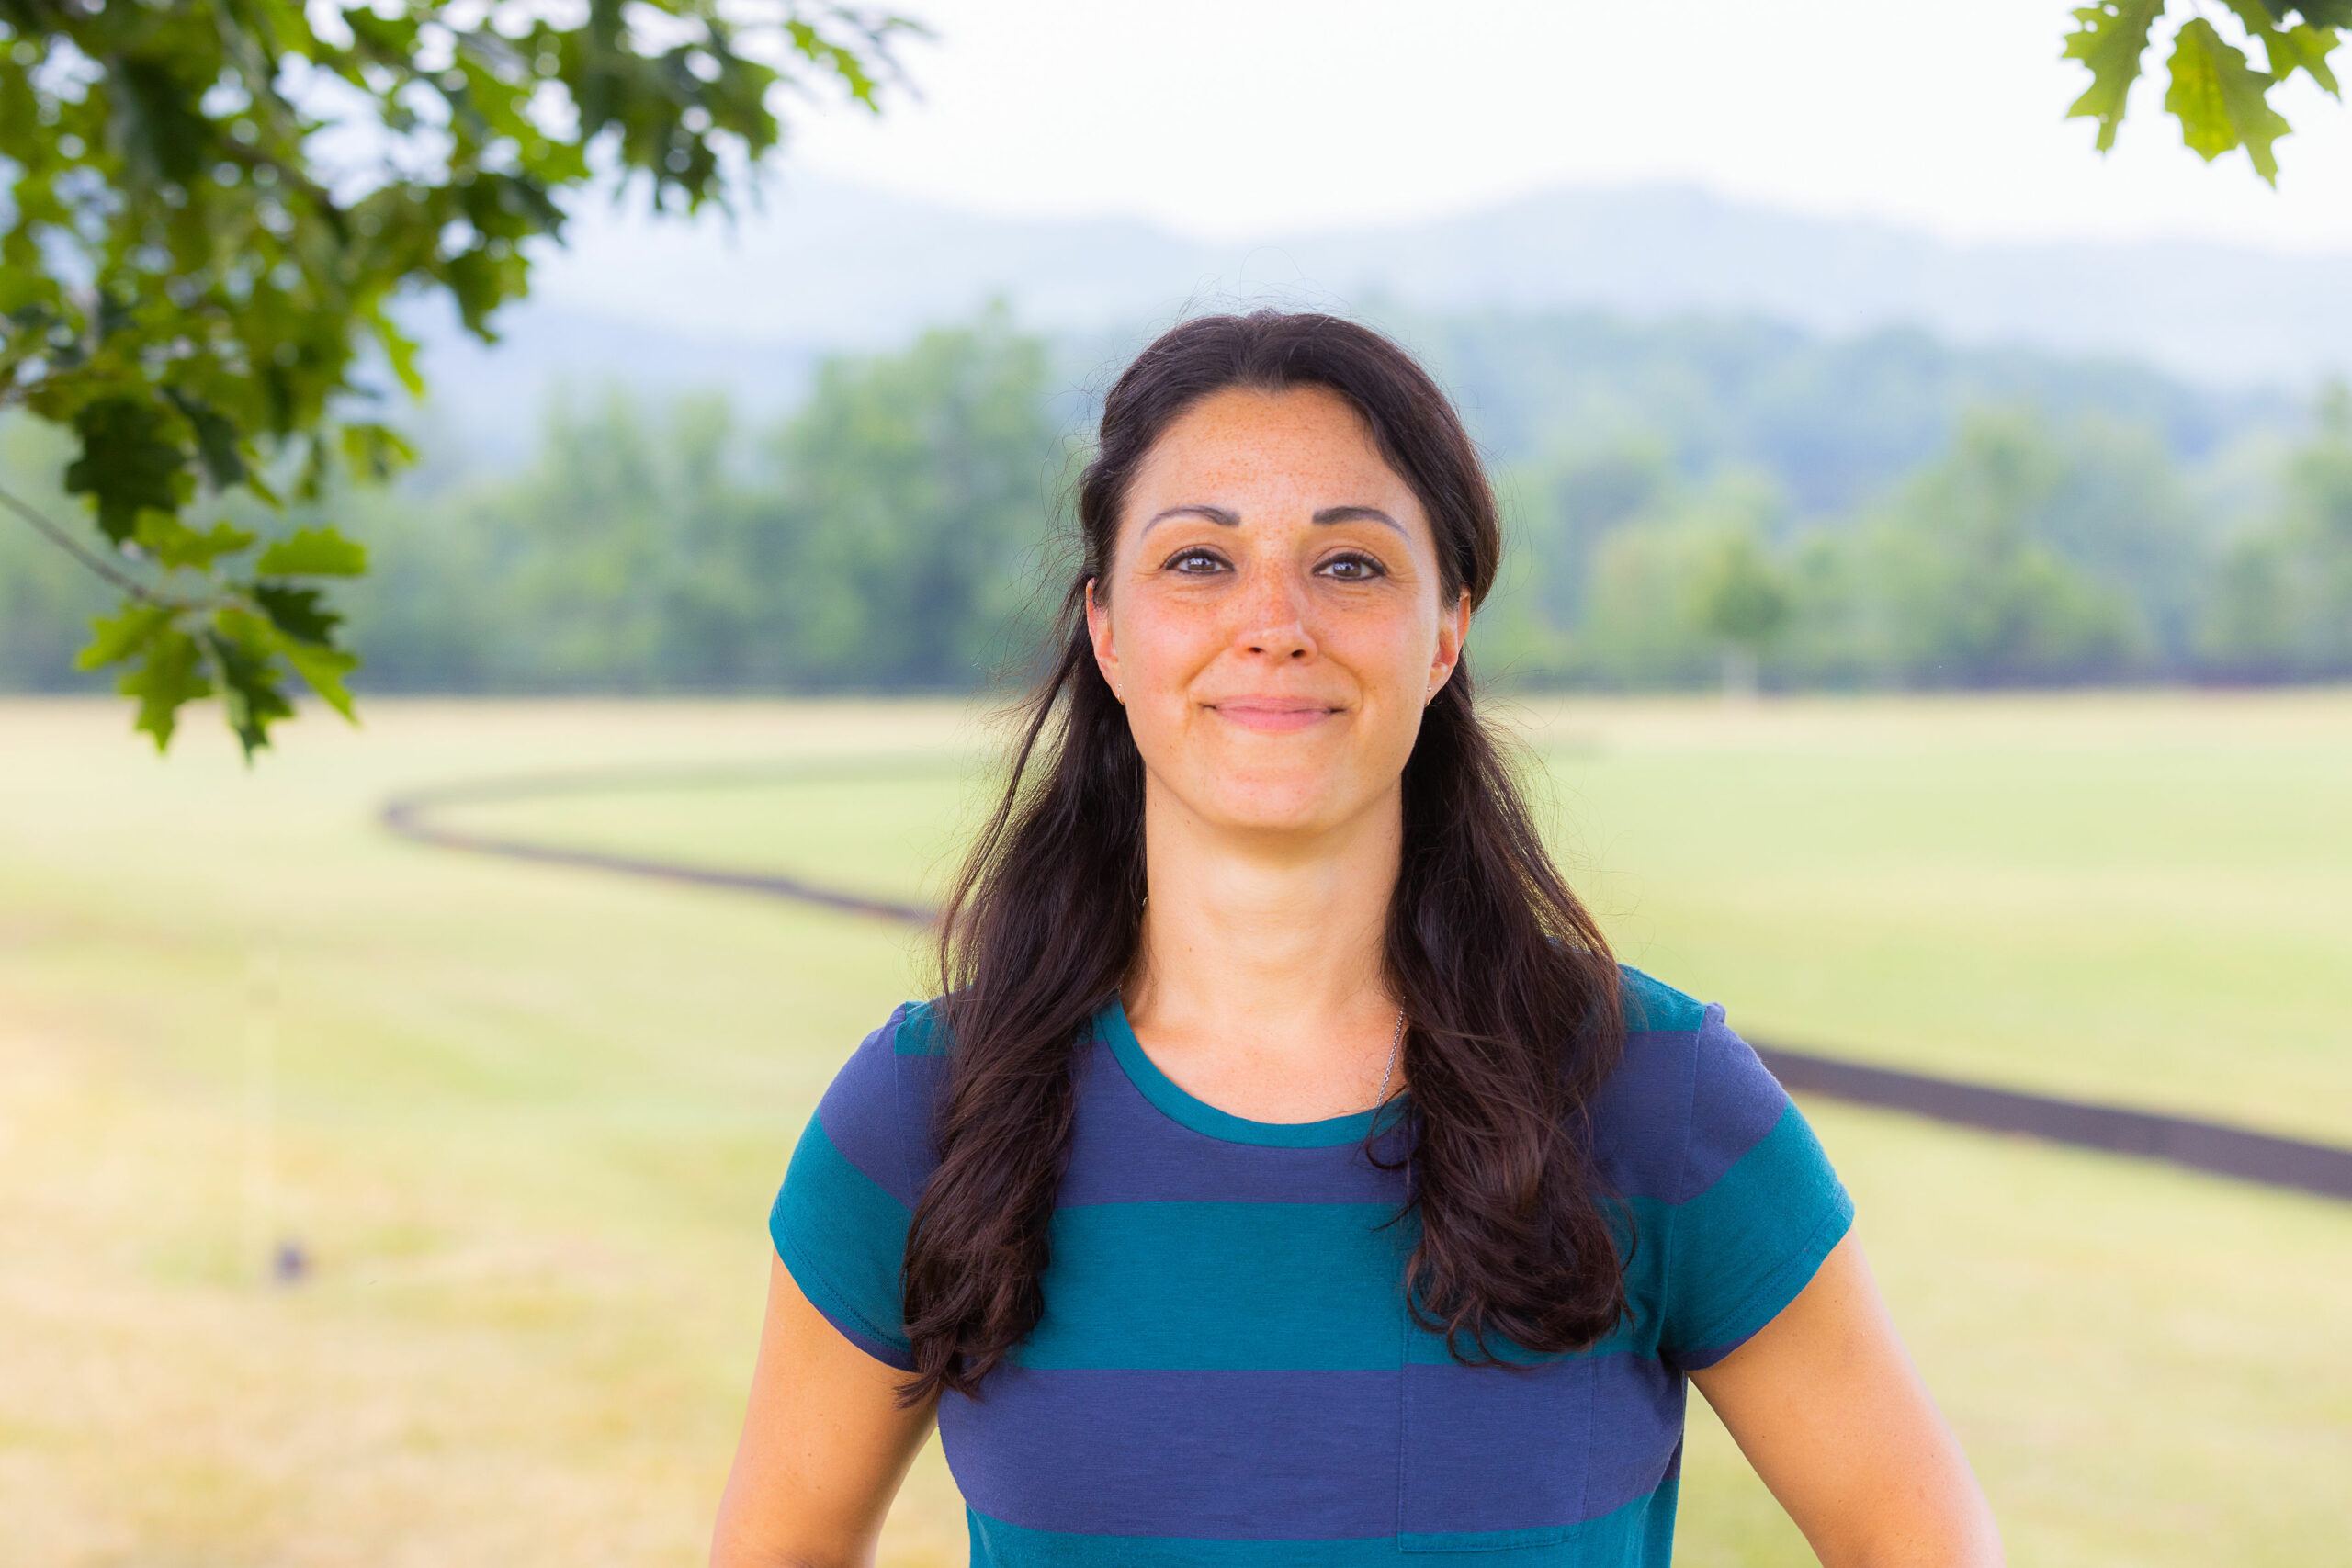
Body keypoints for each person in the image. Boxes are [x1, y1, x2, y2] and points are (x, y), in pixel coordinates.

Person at [712, 312, 2001, 1568]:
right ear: (1108, 629)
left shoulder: (1654, 1098)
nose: (1274, 621)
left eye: (1350, 565)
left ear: (1446, 628)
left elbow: (1918, 1540)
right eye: (1200, 562)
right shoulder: (926, 1113)